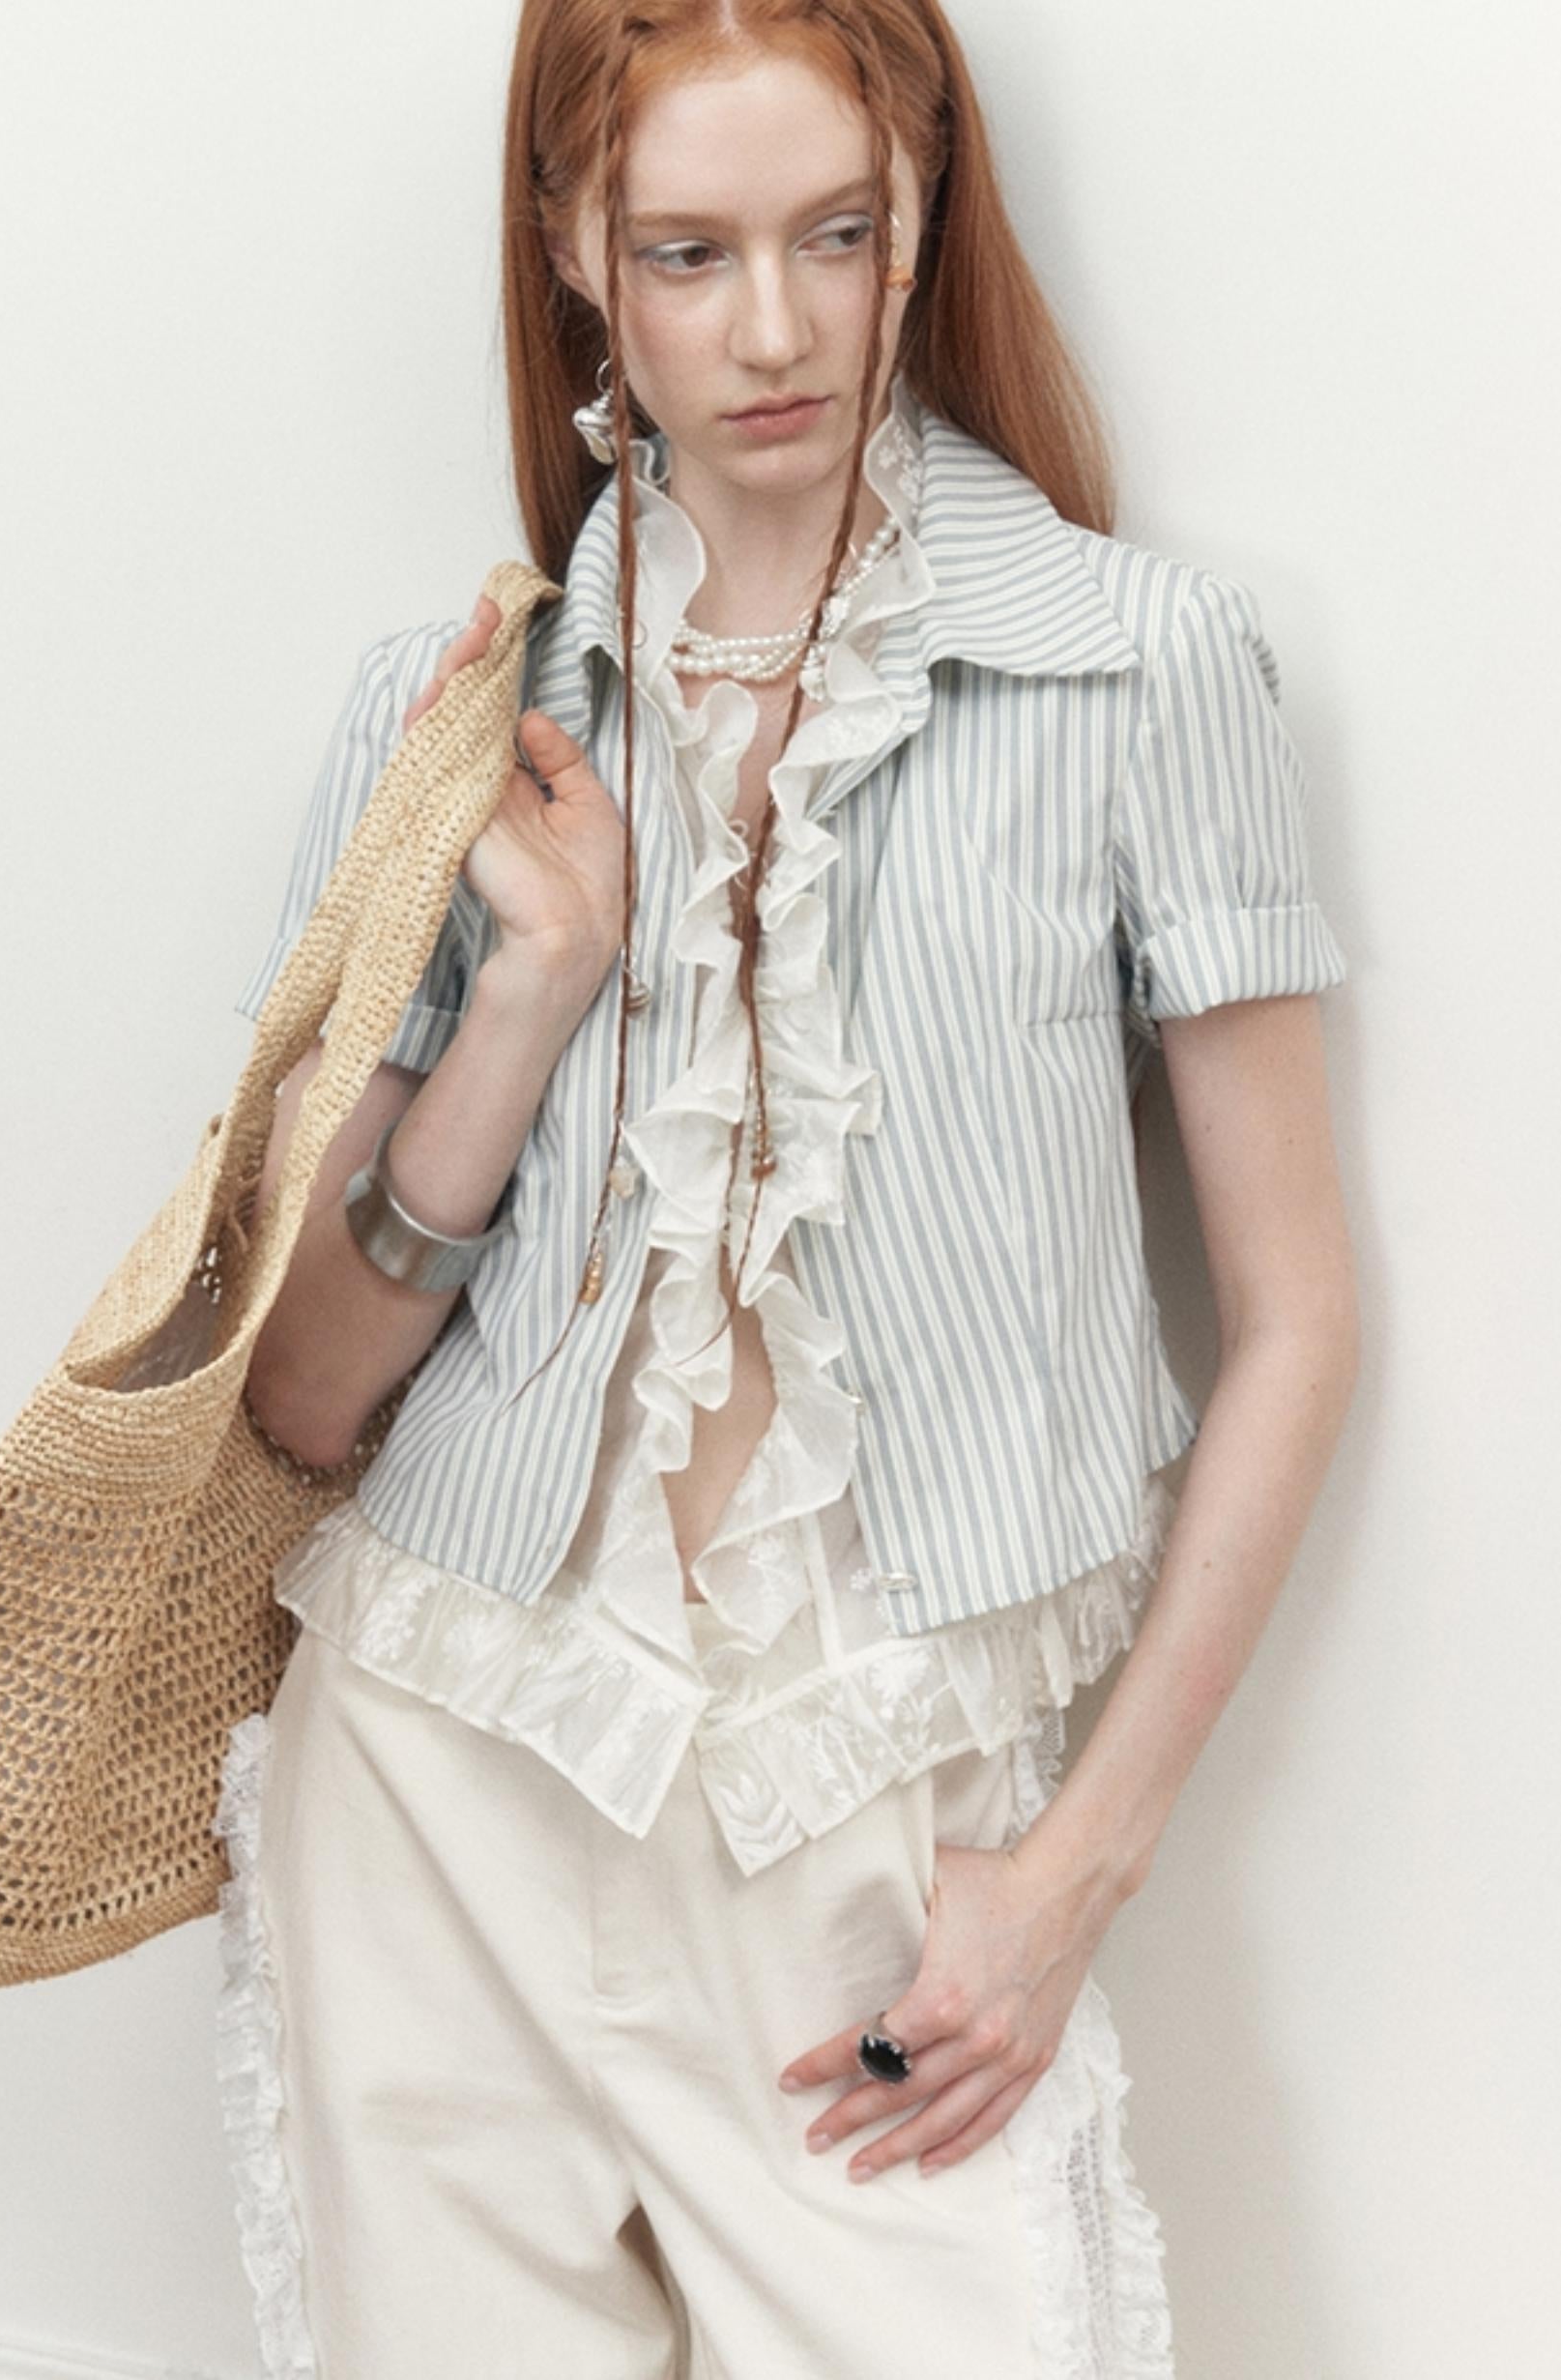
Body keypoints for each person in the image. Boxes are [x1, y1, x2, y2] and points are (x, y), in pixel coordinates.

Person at [211, 2, 1359, 2372]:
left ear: (919, 209)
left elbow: (1295, 1320)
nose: (772, 331)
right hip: (438, 1795)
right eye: (687, 251)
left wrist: (1069, 1874)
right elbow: (304, 1397)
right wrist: (531, 992)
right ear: (571, 250)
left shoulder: (1138, 672)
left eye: (834, 235)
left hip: (864, 1846)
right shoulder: (451, 717)